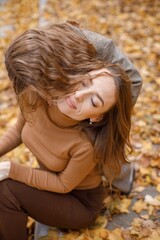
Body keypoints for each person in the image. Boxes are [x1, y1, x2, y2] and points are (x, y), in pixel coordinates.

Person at [0, 22, 142, 240]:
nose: (78, 96)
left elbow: (64, 184)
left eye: (94, 101)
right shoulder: (39, 93)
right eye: (84, 83)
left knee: (5, 190)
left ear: (96, 116)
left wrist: (11, 169)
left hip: (79, 202)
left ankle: (123, 173)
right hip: (49, 182)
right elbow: (18, 130)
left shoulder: (85, 143)